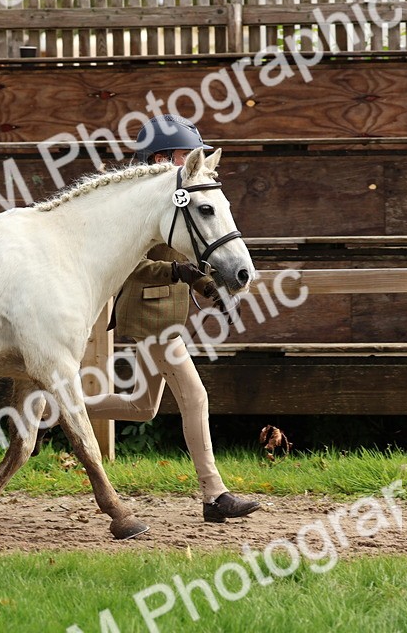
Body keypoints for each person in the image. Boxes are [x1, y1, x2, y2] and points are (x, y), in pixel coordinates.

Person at [89, 114, 260, 523]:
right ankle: (214, 494)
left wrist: (208, 288)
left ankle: (57, 411)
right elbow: (131, 266)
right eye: (186, 154)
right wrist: (180, 273)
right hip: (149, 314)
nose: (192, 162)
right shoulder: (137, 205)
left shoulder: (171, 197)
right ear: (160, 156)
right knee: (195, 396)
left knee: (142, 408)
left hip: (166, 313)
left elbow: (188, 257)